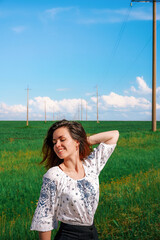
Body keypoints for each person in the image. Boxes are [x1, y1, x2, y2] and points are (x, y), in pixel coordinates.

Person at [30, 119, 119, 240]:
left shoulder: (91, 165)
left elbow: (114, 135)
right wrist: (73, 142)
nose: (57, 145)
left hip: (92, 233)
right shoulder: (54, 175)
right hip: (69, 235)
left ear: (76, 141)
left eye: (62, 139)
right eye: (54, 142)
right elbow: (44, 217)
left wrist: (84, 141)